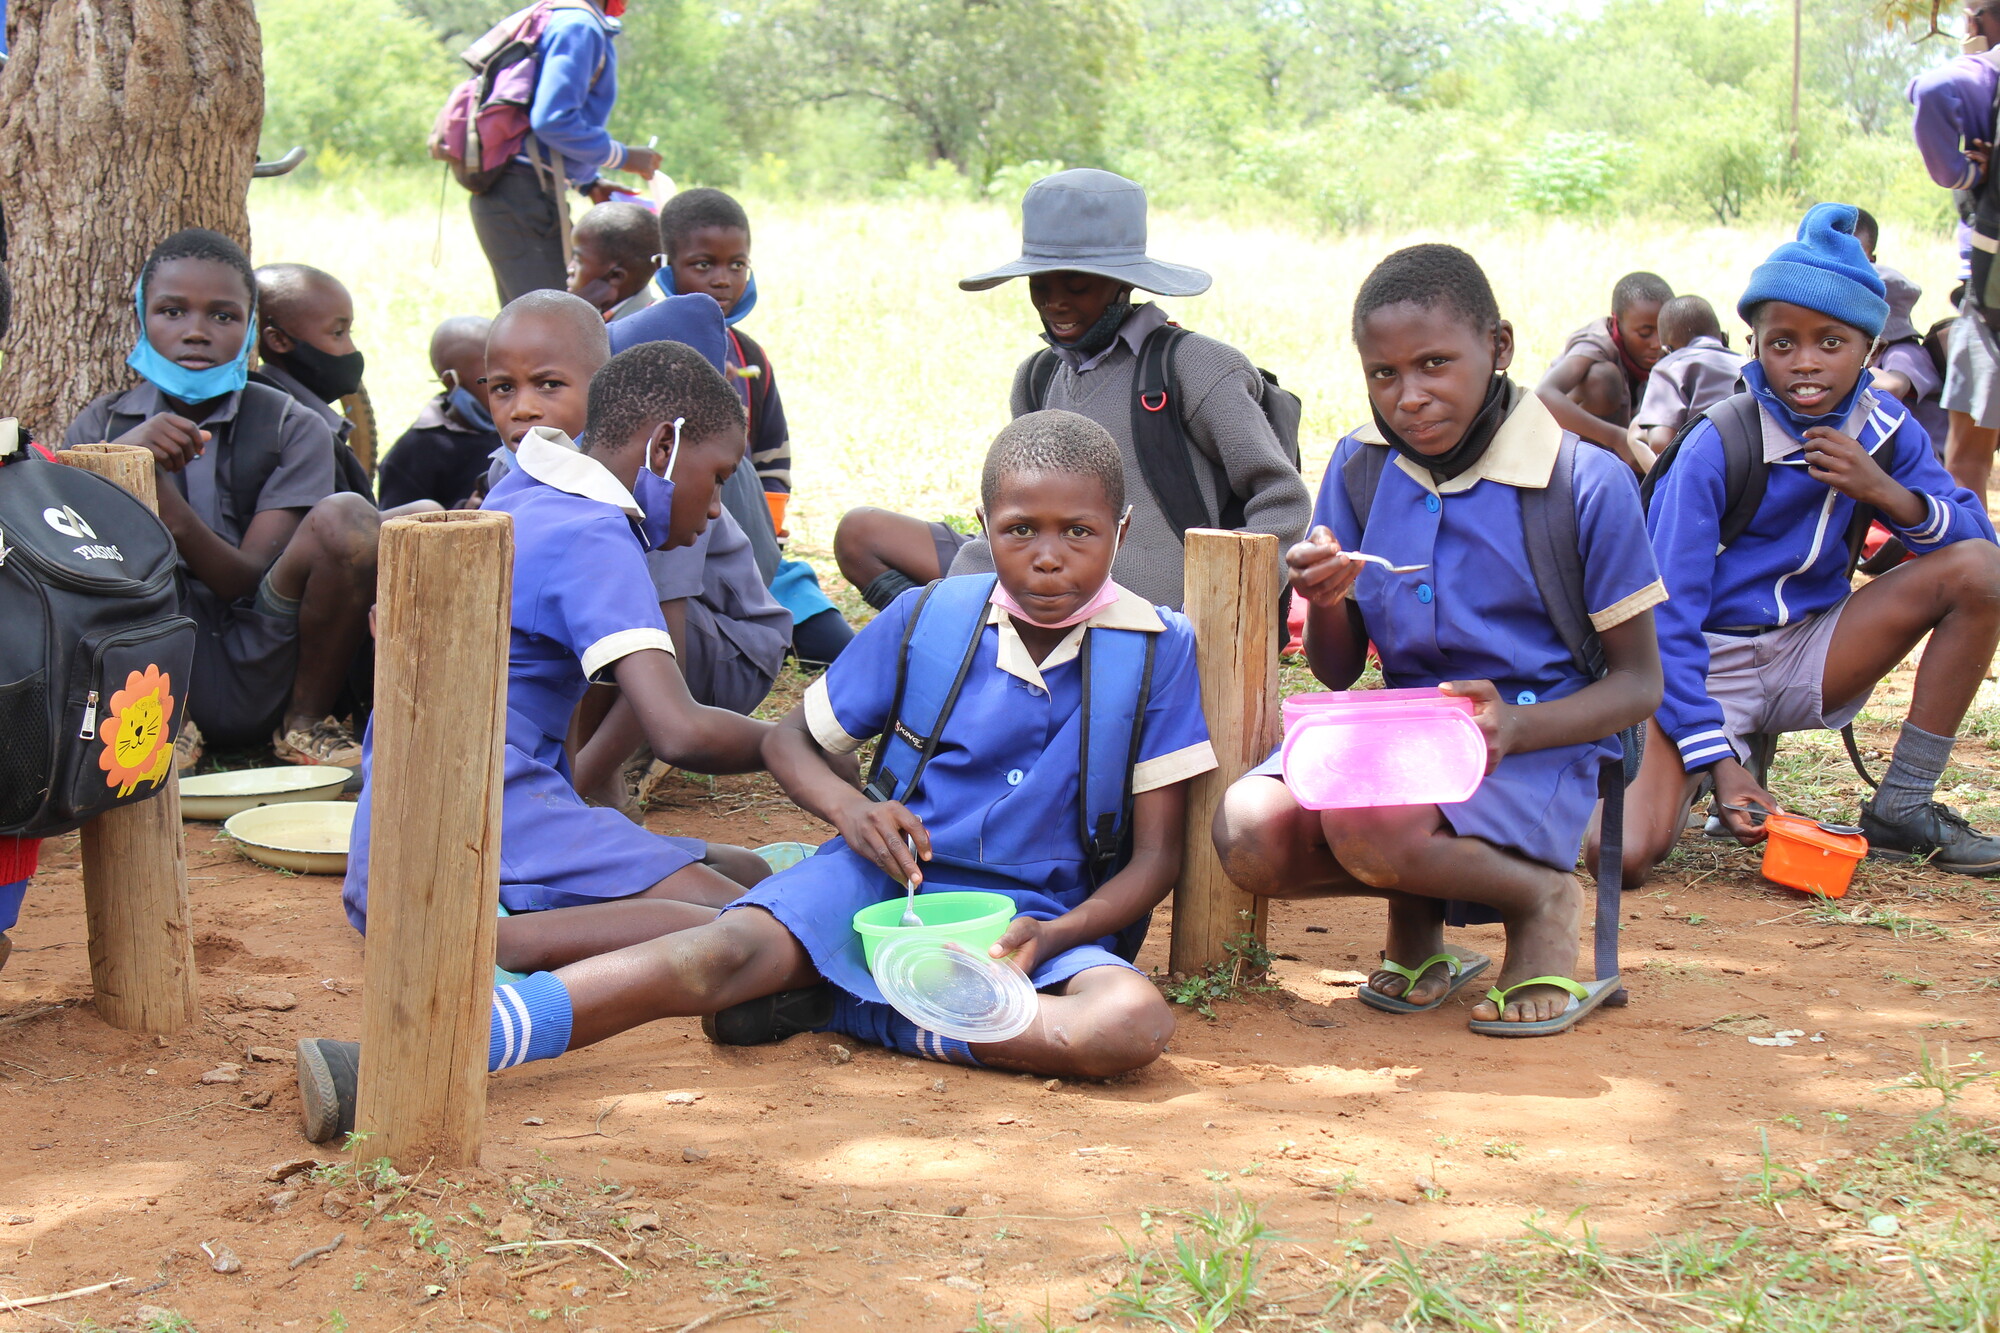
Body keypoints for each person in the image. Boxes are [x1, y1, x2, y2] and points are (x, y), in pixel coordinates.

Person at [296, 411, 1213, 1140]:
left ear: (1122, 531)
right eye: (1020, 531)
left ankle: (844, 1004)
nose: (1048, 556)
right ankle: (420, 1053)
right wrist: (851, 810)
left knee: (1128, 1024)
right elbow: (790, 743)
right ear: (983, 527)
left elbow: (1154, 859)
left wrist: (1057, 936)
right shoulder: (931, 619)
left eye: (1079, 532)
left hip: (1031, 926)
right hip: (884, 892)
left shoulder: (1157, 650)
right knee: (715, 951)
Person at [1210, 243, 1665, 1037]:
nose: (1409, 396)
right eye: (1383, 374)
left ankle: (1541, 900)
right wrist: (1326, 599)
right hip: (1405, 746)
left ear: (1500, 346)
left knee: (1370, 818)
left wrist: (1515, 725)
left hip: (1537, 744)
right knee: (1251, 831)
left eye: (1433, 364)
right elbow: (1337, 668)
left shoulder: (1584, 481)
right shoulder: (1361, 466)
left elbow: (1639, 685)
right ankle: (1416, 915)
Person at [330, 343, 775, 1067]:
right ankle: (504, 943)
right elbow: (678, 730)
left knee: (752, 874)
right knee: (745, 921)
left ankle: (517, 920)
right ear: (664, 446)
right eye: (719, 477)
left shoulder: (527, 487)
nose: (719, 505)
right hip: (480, 820)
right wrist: (798, 743)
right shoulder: (593, 534)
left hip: (412, 828)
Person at [1622, 204, 2000, 881]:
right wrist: (1718, 760)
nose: (1805, 362)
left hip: (1811, 649)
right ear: (1754, 346)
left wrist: (1887, 491)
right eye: (1782, 342)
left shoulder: (1885, 429)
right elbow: (1664, 618)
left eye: (1831, 342)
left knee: (1980, 571)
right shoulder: (1718, 443)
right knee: (1625, 852)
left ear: (1870, 350)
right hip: (1706, 663)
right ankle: (1722, 753)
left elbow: (1979, 545)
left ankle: (1903, 805)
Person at [835, 168, 1311, 614]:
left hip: (1150, 613)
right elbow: (1012, 508)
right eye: (1040, 286)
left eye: (1077, 285)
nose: (1055, 302)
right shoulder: (1038, 378)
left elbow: (1282, 497)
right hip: (1041, 583)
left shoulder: (1195, 367)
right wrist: (950, 610)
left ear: (1123, 284)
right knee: (863, 536)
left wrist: (1220, 610)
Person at [63, 229, 379, 769]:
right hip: (149, 649)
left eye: (223, 316)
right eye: (171, 312)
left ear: (251, 327)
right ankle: (163, 725)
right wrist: (121, 464)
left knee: (349, 517)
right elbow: (75, 565)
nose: (195, 332)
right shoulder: (102, 427)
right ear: (142, 317)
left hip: (269, 637)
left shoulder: (293, 425)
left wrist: (161, 496)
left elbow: (244, 580)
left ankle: (304, 724)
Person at [649, 187, 854, 663]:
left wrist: (767, 533)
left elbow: (771, 455)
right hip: (670, 547)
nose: (722, 280)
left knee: (835, 648)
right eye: (703, 265)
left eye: (737, 264)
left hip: (751, 547)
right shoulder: (645, 346)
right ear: (666, 267)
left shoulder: (749, 356)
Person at [468, 0, 663, 305]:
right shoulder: (580, 26)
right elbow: (552, 120)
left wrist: (589, 182)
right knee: (549, 320)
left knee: (537, 315)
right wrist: (623, 156)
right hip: (523, 198)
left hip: (515, 195)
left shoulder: (561, 16)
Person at [1909, 5, 2000, 494]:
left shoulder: (1988, 71)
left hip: (1991, 299)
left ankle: (1974, 544)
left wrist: (1965, 174)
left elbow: (1932, 89)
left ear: (1975, 21)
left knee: (1967, 460)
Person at [1537, 271, 1672, 472]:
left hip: (1630, 446)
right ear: (1617, 322)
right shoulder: (1595, 343)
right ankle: (1589, 470)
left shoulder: (1672, 345)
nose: (1657, 343)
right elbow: (1543, 395)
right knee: (1602, 380)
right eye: (1645, 333)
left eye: (1664, 330)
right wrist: (1616, 438)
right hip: (1568, 448)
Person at [376, 316, 502, 510]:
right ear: (452, 381)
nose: (506, 386)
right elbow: (397, 525)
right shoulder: (414, 455)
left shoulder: (521, 428)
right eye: (494, 377)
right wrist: (463, 514)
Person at [253, 263, 368, 453]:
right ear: (279, 340)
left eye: (350, 332)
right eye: (338, 333)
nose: (351, 349)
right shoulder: (298, 435)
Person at [1631, 295, 1744, 461]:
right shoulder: (1745, 363)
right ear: (1723, 336)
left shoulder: (1670, 366)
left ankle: (1666, 480)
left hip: (1706, 462)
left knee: (1635, 430)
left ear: (1666, 349)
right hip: (1753, 459)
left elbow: (1660, 441)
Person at [568, 201, 659, 321]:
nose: (570, 269)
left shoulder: (629, 330)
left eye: (578, 260)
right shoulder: (594, 313)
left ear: (615, 276)